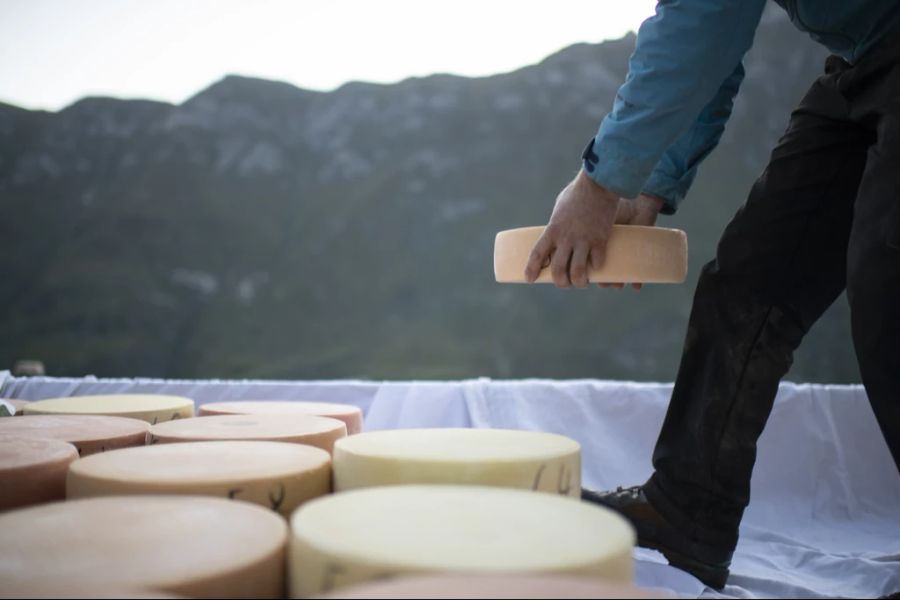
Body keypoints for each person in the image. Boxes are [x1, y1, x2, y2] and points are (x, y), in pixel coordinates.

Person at [524, 0, 900, 590]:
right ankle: (687, 512)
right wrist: (647, 186)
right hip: (863, 60)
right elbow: (716, 33)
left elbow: (696, 22)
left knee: (888, 294)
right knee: (749, 284)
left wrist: (598, 184)